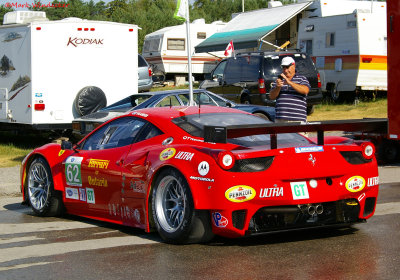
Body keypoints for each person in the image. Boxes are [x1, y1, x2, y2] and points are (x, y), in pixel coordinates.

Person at [269, 56, 310, 123]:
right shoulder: (279, 80)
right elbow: (271, 96)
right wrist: (278, 87)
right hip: (281, 119)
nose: (285, 70)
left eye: (287, 67)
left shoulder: (302, 79)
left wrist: (289, 82)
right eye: (283, 67)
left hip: (298, 119)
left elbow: (305, 90)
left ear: (293, 65)